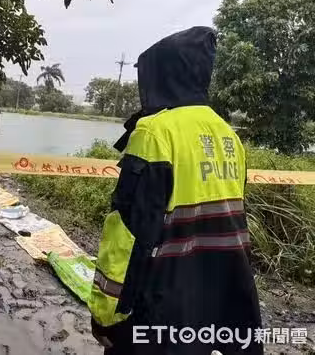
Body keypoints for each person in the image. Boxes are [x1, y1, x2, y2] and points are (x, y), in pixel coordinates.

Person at [88, 27, 262, 355]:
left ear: (162, 76)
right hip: (216, 304)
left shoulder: (154, 133)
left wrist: (105, 314)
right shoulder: (229, 136)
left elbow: (127, 234)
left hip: (160, 307)